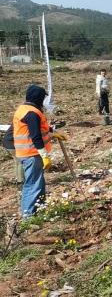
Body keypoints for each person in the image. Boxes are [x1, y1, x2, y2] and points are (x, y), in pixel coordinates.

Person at [12, 85, 66, 217]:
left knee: (38, 182)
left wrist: (53, 132)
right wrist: (44, 155)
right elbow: (35, 135)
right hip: (31, 154)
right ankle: (28, 215)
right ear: (38, 98)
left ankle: (38, 209)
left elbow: (40, 128)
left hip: (29, 153)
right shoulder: (32, 113)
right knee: (33, 184)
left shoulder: (25, 109)